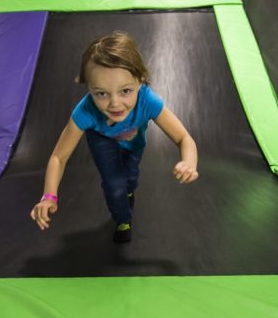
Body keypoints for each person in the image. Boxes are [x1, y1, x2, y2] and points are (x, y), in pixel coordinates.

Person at [30, 31, 199, 243]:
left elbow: (184, 138)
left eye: (125, 91)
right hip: (102, 141)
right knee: (114, 184)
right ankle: (122, 219)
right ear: (89, 88)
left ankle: (128, 192)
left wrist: (189, 162)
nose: (115, 104)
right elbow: (58, 157)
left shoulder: (148, 101)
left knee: (129, 179)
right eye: (101, 93)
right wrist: (49, 196)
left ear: (141, 81)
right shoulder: (85, 112)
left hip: (134, 144)